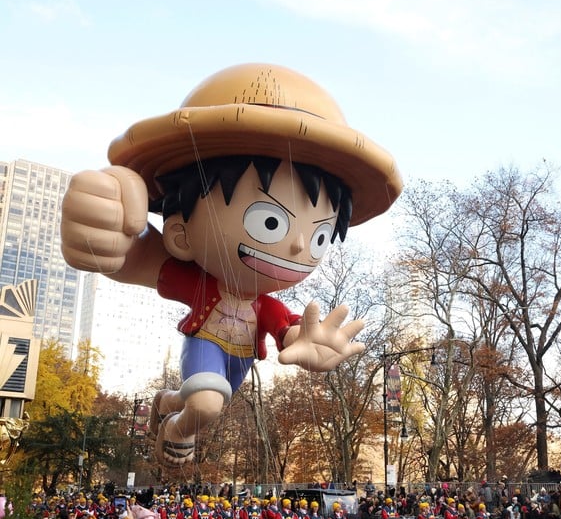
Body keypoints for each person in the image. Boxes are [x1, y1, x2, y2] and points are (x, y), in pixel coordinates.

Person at [60, 63, 402, 465]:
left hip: (240, 359)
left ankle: (166, 403)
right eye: (269, 221)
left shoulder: (265, 305)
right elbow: (134, 258)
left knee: (208, 400)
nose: (296, 244)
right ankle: (174, 431)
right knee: (206, 403)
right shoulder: (198, 282)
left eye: (319, 235)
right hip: (205, 344)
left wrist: (304, 343)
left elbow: (286, 329)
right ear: (180, 233)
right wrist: (105, 226)